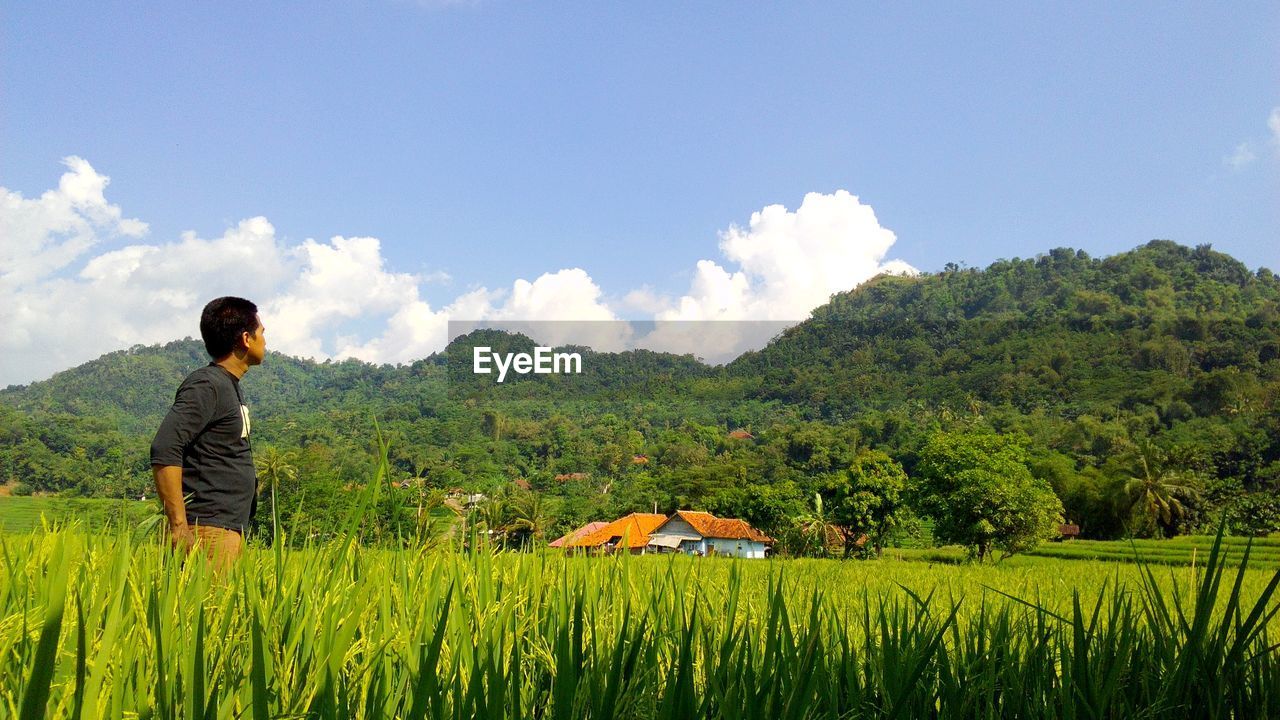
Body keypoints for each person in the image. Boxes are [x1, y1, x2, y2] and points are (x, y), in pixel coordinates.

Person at [151, 297, 266, 572]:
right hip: (207, 530)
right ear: (246, 339)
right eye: (262, 333)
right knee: (204, 612)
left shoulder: (227, 385)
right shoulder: (207, 385)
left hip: (224, 528)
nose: (265, 341)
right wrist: (179, 525)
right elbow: (165, 447)